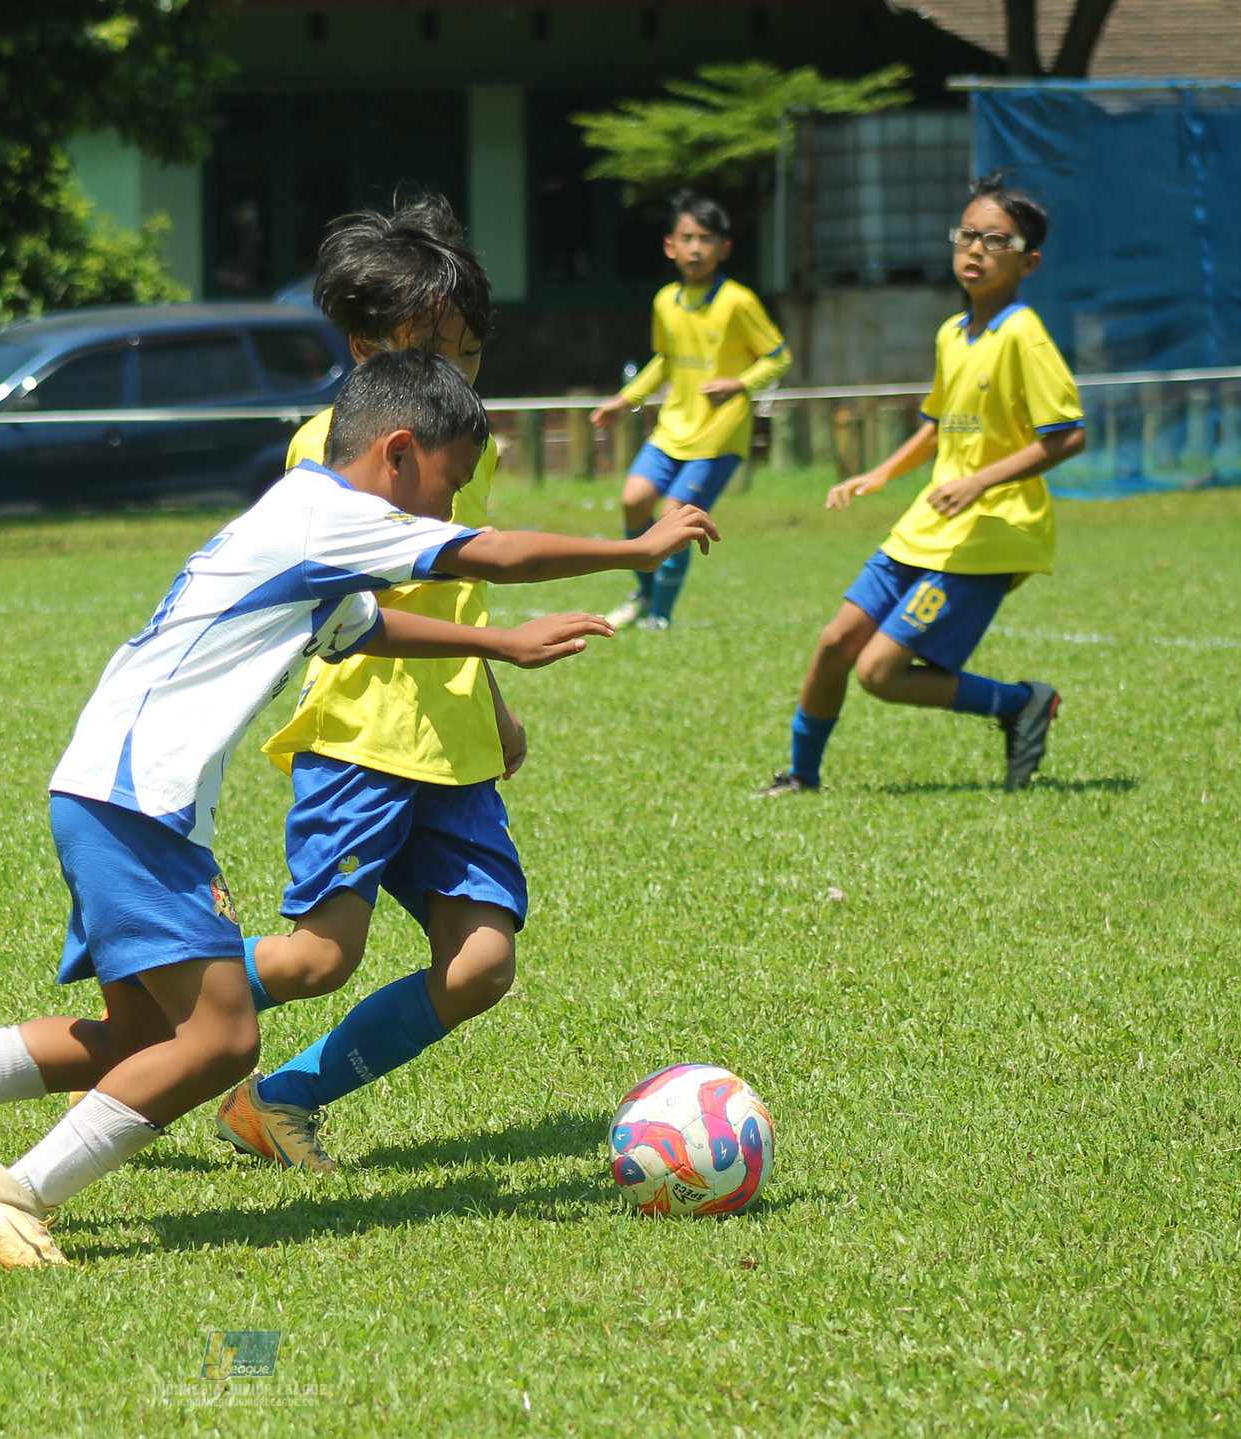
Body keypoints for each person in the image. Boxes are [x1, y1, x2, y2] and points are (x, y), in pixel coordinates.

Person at [0, 348, 718, 1269]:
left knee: (139, 1033)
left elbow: (368, 627)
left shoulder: (301, 525)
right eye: (448, 482)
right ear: (398, 453)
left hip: (106, 786)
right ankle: (10, 1195)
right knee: (224, 1039)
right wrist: (635, 548)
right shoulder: (335, 514)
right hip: (140, 797)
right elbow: (490, 552)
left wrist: (502, 650)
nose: (448, 508)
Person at [211, 192, 709, 1173]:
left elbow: (454, 592)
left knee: (480, 962)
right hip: (361, 734)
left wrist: (490, 701)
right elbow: (389, 602)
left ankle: (279, 1100)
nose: (461, 378)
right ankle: (148, 1003)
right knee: (317, 957)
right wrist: (627, 549)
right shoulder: (330, 449)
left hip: (451, 742)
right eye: (438, 352)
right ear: (367, 349)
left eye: (472, 356)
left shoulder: (452, 439)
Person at [753, 174, 1085, 799]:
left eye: (996, 239)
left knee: (880, 672)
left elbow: (1067, 436)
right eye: (967, 234)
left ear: (1028, 261)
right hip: (928, 525)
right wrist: (879, 474)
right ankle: (800, 775)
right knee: (834, 644)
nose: (976, 249)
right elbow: (939, 424)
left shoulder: (1023, 334)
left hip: (990, 532)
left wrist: (978, 483)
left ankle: (1020, 703)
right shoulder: (952, 334)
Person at [589, 192, 792, 630]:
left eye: (706, 239)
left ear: (724, 248)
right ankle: (644, 594)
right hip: (673, 429)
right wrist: (626, 400)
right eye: (687, 238)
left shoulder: (738, 302)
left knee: (673, 515)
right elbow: (665, 359)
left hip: (720, 433)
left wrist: (739, 384)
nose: (696, 248)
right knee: (633, 500)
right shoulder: (666, 301)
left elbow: (778, 356)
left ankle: (661, 615)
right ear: (670, 246)